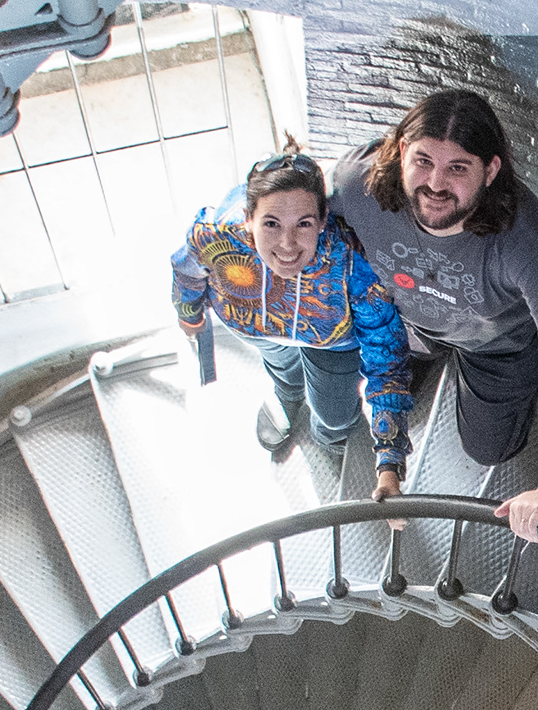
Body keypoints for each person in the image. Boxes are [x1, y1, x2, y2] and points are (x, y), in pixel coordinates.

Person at [329, 88, 538, 540]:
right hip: (407, 328)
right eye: (423, 161)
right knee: (354, 395)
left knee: (491, 449)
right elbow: (288, 212)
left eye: (457, 168)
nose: (435, 185)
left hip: (494, 344)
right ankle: (428, 359)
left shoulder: (523, 239)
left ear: (490, 171)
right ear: (401, 151)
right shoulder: (358, 186)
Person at [170, 151, 412, 474]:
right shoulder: (214, 234)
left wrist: (390, 453)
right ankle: (288, 394)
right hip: (257, 329)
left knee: (334, 414)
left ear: (323, 221)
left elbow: (386, 356)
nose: (287, 244)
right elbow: (186, 269)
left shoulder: (352, 262)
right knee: (282, 367)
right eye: (271, 223)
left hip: (331, 345)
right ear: (248, 218)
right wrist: (189, 314)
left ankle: (331, 435)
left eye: (304, 224)